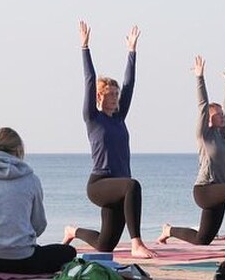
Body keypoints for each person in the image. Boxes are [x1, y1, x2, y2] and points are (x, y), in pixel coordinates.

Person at [64, 22, 157, 259]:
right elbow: (89, 79)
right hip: (100, 184)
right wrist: (84, 48)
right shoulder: (92, 118)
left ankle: (72, 230)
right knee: (132, 185)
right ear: (99, 96)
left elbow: (129, 85)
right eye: (110, 94)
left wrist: (132, 52)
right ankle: (136, 243)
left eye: (116, 94)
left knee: (105, 246)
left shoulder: (119, 117)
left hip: (117, 188)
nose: (116, 98)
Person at [0, 128, 77, 273]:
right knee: (68, 252)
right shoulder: (31, 180)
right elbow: (39, 226)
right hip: (20, 260)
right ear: (19, 150)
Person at [158, 57, 225, 246]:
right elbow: (203, 106)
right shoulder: (204, 135)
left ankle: (168, 230)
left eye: (222, 114)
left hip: (218, 193)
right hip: (205, 190)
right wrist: (200, 77)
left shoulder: (224, 135)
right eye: (217, 115)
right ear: (209, 120)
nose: (222, 117)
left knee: (202, 240)